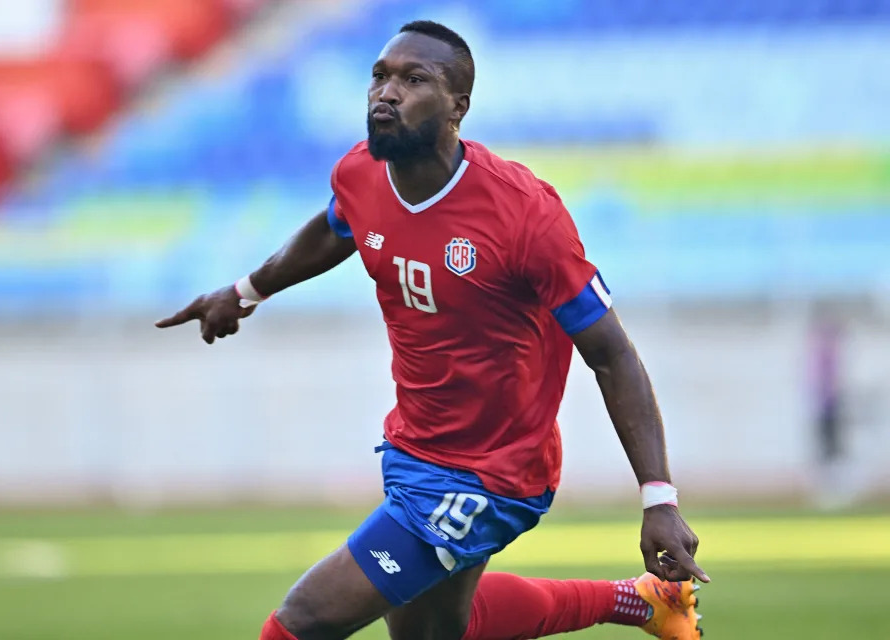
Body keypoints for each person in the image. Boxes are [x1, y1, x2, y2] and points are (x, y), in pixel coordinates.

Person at [157, 20, 708, 640]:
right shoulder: (361, 173)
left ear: (457, 108)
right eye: (380, 76)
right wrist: (246, 291)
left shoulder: (524, 213)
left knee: (299, 624)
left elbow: (612, 355)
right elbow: (334, 229)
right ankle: (640, 604)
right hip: (414, 449)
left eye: (413, 79)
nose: (386, 93)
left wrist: (658, 498)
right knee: (441, 630)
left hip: (492, 473)